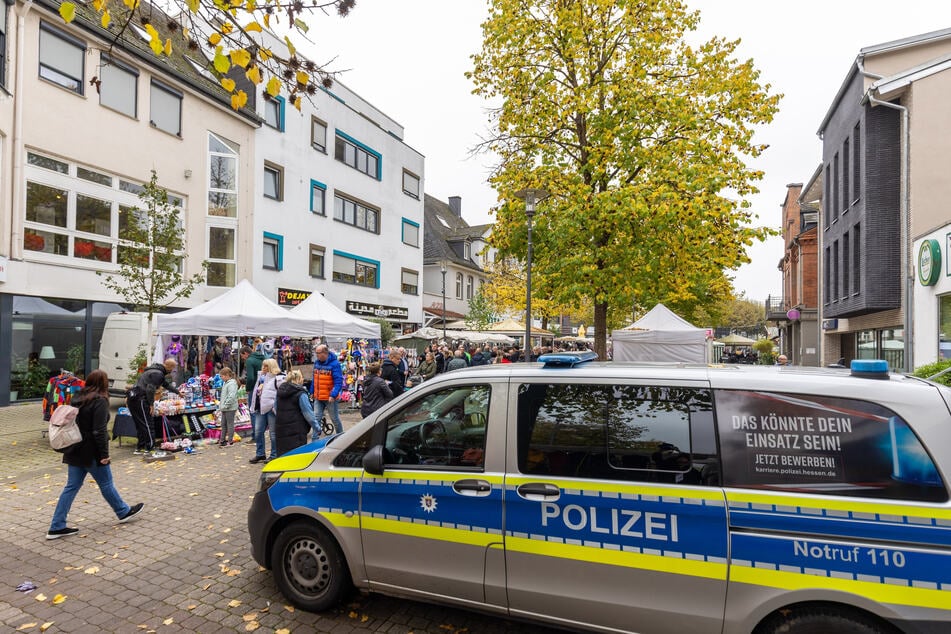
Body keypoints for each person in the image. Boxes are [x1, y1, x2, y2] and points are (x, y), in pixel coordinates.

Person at [48, 369, 144, 539]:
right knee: (106, 483)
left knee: (71, 487)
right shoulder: (99, 401)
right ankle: (123, 511)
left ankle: (56, 525)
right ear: (104, 383)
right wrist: (104, 454)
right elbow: (99, 431)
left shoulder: (78, 397)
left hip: (75, 448)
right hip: (91, 451)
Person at [126, 358, 178, 455]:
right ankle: (150, 448)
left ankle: (140, 447)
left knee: (140, 424)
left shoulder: (153, 371)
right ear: (169, 367)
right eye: (173, 368)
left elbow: (166, 385)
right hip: (140, 399)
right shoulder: (158, 374)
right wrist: (151, 405)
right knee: (148, 424)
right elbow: (150, 389)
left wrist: (178, 392)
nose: (172, 371)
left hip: (133, 398)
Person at [249, 358, 284, 464]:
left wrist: (275, 406)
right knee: (258, 432)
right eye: (263, 366)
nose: (263, 368)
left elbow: (282, 393)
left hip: (272, 409)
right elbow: (256, 392)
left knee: (273, 433)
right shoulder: (261, 377)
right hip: (260, 408)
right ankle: (260, 454)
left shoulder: (279, 378)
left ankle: (274, 455)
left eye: (266, 366)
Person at [274, 370, 316, 457]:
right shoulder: (300, 393)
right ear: (299, 379)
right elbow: (308, 413)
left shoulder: (279, 392)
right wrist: (317, 427)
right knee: (297, 456)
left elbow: (275, 408)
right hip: (297, 429)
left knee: (284, 455)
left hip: (281, 428)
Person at [312, 344, 345, 438]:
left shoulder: (335, 364)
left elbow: (338, 381)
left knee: (334, 419)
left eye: (318, 353)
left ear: (324, 353)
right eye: (316, 353)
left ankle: (341, 437)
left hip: (330, 397)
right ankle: (315, 440)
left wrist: (333, 395)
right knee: (316, 419)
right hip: (318, 397)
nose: (316, 355)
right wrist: (312, 392)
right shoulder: (316, 363)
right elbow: (314, 379)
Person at [217, 367, 238, 447]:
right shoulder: (226, 383)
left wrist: (225, 405)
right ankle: (222, 440)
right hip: (225, 408)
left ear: (226, 375)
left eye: (221, 376)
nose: (221, 378)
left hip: (230, 408)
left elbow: (231, 396)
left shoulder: (232, 384)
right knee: (223, 424)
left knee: (229, 424)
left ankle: (230, 441)